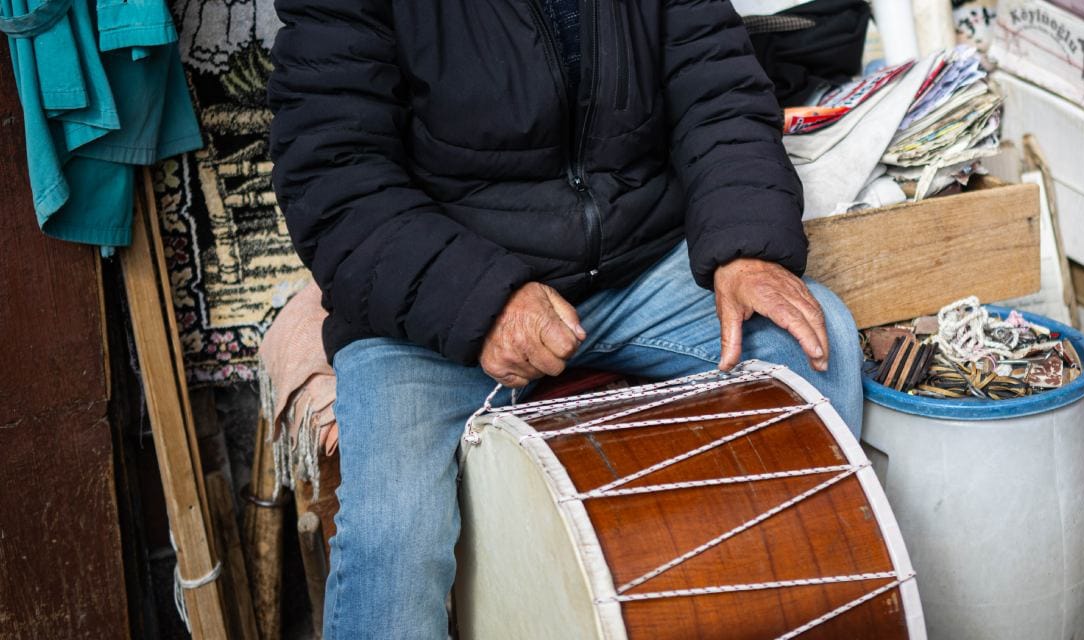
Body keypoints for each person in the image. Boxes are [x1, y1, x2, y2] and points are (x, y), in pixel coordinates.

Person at [268, 1, 863, 637]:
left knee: (810, 346)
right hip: (440, 302)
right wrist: (482, 300)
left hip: (636, 261)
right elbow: (335, 178)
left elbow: (717, 88)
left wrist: (745, 247)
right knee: (394, 536)